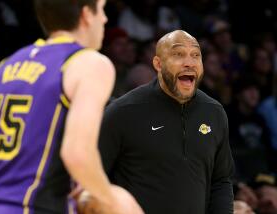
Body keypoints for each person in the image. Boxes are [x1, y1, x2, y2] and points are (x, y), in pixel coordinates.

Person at [0, 0, 143, 213]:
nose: (104, 19)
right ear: (85, 14)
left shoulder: (6, 65)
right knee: (122, 200)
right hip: (31, 208)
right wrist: (112, 200)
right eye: (101, 10)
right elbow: (78, 155)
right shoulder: (88, 62)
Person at [98, 30, 235, 213]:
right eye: (178, 55)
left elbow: (221, 180)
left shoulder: (214, 112)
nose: (189, 63)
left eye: (196, 55)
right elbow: (94, 178)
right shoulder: (122, 112)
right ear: (158, 63)